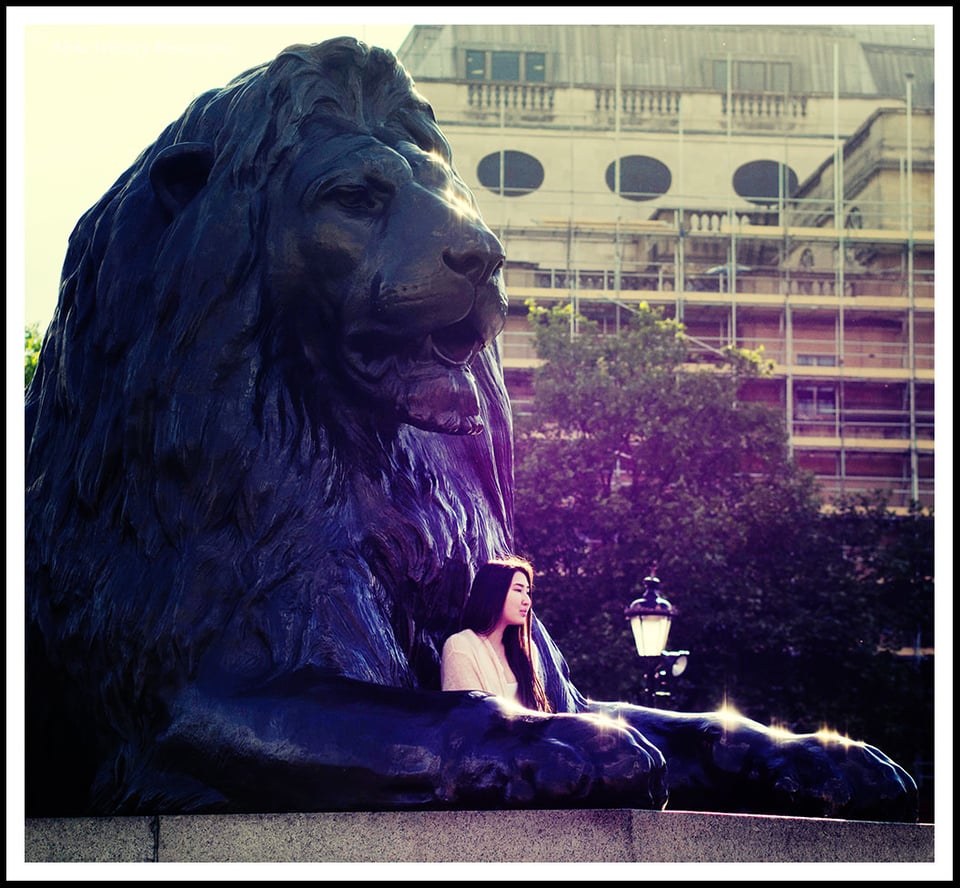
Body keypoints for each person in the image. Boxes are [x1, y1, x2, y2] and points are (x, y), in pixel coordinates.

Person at [441, 556, 551, 711]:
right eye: (518, 590)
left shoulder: (527, 649)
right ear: (494, 593)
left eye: (527, 592)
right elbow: (467, 719)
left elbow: (537, 713)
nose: (527, 600)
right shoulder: (460, 647)